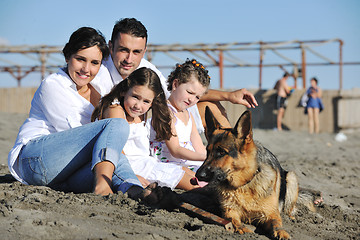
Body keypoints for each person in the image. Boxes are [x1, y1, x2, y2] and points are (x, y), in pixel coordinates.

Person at [8, 27, 158, 202]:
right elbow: (86, 134)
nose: (86, 69)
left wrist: (130, 173)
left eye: (95, 63)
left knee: (111, 162)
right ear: (67, 56)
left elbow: (104, 147)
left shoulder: (100, 88)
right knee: (116, 126)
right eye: (80, 59)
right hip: (36, 161)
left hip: (64, 173)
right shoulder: (53, 85)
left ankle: (135, 189)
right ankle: (102, 185)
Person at [96, 17, 258, 136]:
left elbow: (178, 92)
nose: (129, 59)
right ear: (111, 47)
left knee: (211, 107)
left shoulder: (145, 67)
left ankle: (228, 159)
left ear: (144, 51)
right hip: (114, 138)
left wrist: (229, 96)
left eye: (136, 52)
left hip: (146, 134)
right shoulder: (97, 72)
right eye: (123, 50)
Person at [91, 67, 201, 191]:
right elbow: (115, 149)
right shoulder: (116, 110)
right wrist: (130, 175)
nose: (138, 106)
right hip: (129, 166)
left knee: (188, 173)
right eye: (135, 97)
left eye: (146, 101)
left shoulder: (143, 114)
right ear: (124, 91)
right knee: (188, 181)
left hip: (147, 163)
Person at [149, 59, 209, 173]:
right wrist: (204, 158)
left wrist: (209, 158)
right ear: (175, 84)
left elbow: (199, 147)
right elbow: (175, 150)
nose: (192, 99)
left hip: (189, 161)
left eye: (197, 97)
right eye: (190, 92)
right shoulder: (165, 111)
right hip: (170, 163)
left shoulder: (189, 115)